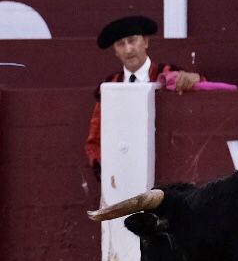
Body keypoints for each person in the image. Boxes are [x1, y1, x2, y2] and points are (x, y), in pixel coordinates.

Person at [83, 14, 201, 167]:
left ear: (145, 42)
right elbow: (95, 141)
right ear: (116, 52)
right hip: (124, 169)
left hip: (166, 164)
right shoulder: (109, 86)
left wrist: (195, 78)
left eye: (132, 40)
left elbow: (201, 88)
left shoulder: (169, 74)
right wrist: (106, 169)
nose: (128, 49)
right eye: (120, 44)